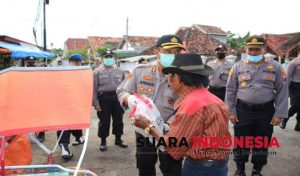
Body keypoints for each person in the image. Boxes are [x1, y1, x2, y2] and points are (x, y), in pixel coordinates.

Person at [133, 53, 231, 176]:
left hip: (201, 169)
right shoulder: (211, 98)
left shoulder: (191, 105)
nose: (168, 82)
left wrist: (148, 127)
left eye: (169, 77)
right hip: (217, 166)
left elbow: (174, 147)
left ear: (178, 78)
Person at [117, 34, 185, 176]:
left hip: (169, 132)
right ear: (156, 52)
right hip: (143, 130)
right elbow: (122, 90)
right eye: (168, 52)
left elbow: (186, 105)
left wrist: (168, 125)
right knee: (145, 166)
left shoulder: (183, 77)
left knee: (172, 169)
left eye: (177, 52)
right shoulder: (140, 71)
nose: (173, 56)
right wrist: (129, 99)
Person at [226, 35, 288, 176]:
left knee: (262, 142)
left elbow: (282, 91)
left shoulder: (276, 67)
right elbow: (230, 90)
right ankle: (240, 169)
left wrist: (279, 114)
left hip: (265, 111)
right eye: (250, 49)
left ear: (264, 49)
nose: (253, 52)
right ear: (246, 49)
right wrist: (231, 111)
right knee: (241, 141)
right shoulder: (237, 67)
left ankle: (257, 171)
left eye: (257, 49)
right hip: (243, 110)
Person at [93, 50, 127, 152]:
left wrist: (125, 100)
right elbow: (93, 89)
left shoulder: (120, 71)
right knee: (104, 121)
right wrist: (95, 103)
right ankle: (103, 141)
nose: (108, 58)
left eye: (110, 56)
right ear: (102, 58)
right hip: (104, 99)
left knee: (118, 120)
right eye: (106, 57)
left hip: (117, 98)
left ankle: (118, 139)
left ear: (113, 58)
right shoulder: (96, 72)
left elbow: (125, 87)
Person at [280, 43, 300, 131]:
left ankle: (298, 125)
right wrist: (284, 90)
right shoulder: (293, 63)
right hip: (295, 86)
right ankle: (285, 119)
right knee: (296, 105)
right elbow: (287, 77)